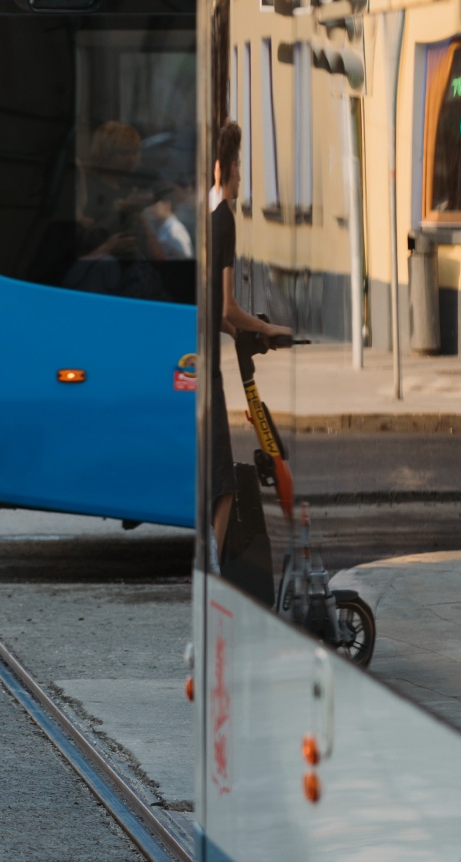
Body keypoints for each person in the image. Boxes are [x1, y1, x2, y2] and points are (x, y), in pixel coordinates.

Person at [208, 120, 291, 551]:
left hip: (194, 358)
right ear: (224, 169)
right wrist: (266, 327)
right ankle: (214, 570)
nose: (242, 174)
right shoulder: (223, 219)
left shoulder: (203, 216)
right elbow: (225, 306)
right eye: (238, 164)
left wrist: (237, 332)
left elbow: (210, 309)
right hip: (206, 372)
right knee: (222, 482)